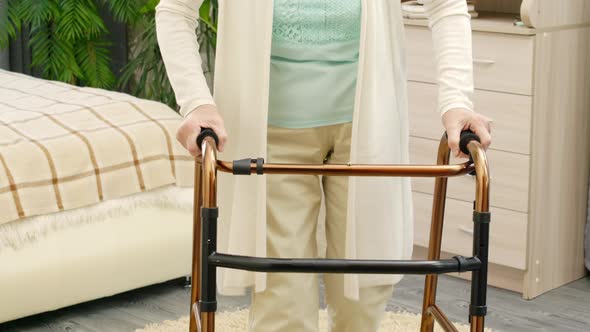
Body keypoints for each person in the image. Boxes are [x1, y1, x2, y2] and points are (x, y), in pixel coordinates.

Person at [156, 0, 492, 331]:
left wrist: (456, 102)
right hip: (272, 135)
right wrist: (197, 103)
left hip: (367, 127)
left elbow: (446, 5)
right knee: (282, 300)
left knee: (363, 293)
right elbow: (175, 10)